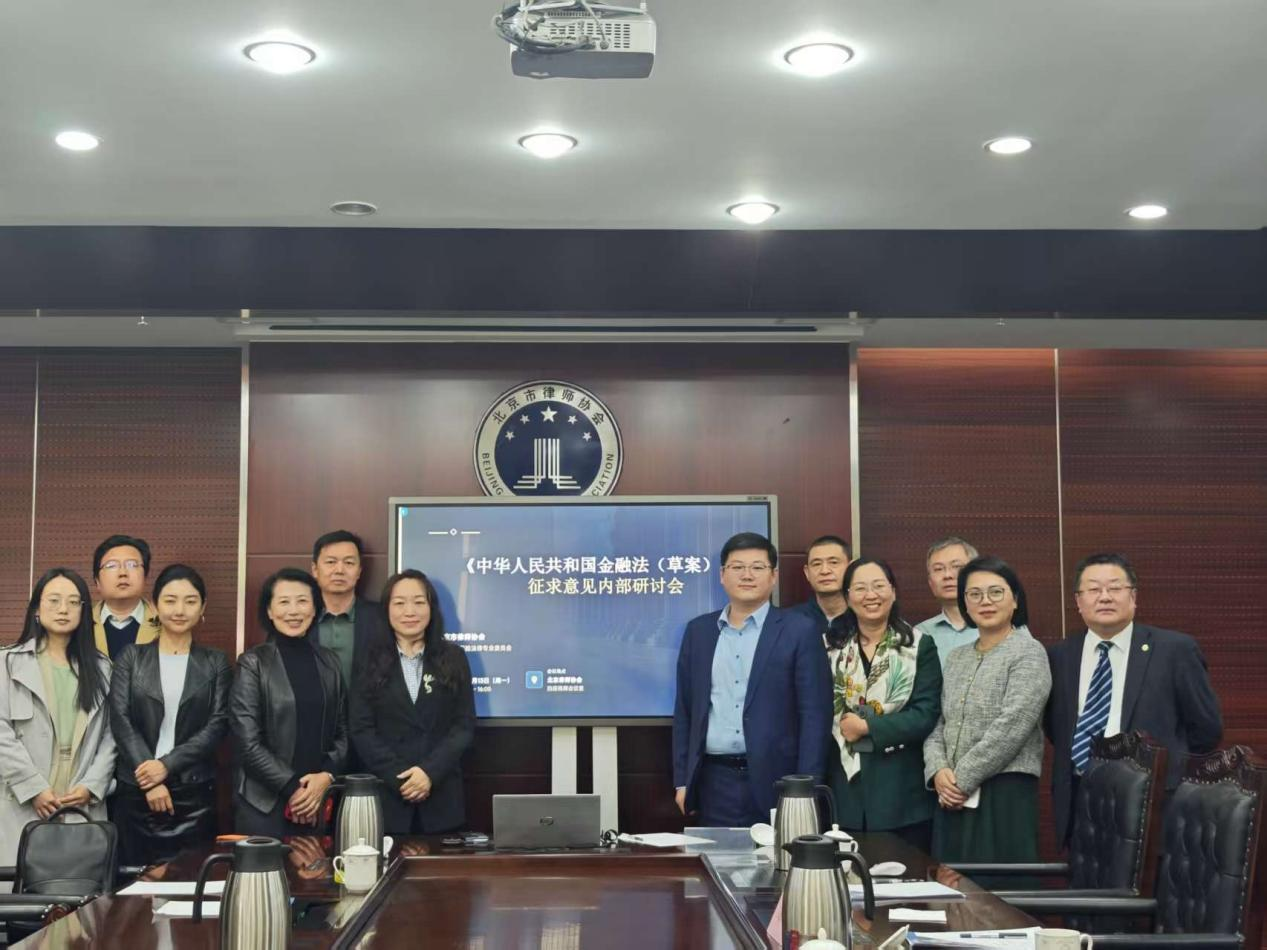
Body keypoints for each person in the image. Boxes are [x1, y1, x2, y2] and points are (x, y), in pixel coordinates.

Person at [1044, 553, 1223, 845]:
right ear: (1078, 601)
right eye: (1093, 589)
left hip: (1154, 803)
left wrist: (1167, 769)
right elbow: (1056, 728)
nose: (1104, 597)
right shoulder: (1059, 656)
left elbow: (1206, 729)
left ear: (1133, 596)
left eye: (1115, 588)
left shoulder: (1174, 649)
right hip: (1080, 797)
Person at [673, 532, 832, 827]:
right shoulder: (699, 632)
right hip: (713, 781)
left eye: (757, 567)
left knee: (779, 856)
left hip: (781, 782)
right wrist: (683, 781)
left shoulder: (800, 630)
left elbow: (815, 715)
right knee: (716, 855)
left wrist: (806, 786)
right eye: (737, 567)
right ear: (722, 575)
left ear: (773, 576)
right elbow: (685, 710)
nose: (747, 575)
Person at [923, 556, 1051, 874]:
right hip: (951, 796)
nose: (985, 601)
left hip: (1002, 795)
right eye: (974, 594)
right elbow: (938, 722)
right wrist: (938, 770)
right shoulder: (956, 658)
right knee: (951, 886)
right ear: (965, 603)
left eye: (996, 592)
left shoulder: (1028, 651)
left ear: (1015, 599)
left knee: (997, 890)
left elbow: (1014, 724)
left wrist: (961, 780)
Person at [109, 564, 232, 867]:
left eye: (190, 601)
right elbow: (120, 719)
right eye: (170, 600)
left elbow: (218, 724)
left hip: (193, 793)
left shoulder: (216, 662)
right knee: (133, 884)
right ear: (155, 605)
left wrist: (166, 766)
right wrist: (150, 780)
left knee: (191, 881)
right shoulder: (131, 657)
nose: (179, 610)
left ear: (202, 607)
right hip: (137, 792)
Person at [0, 568, 115, 876]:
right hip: (22, 801)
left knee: (77, 894)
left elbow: (112, 736)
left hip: (80, 801)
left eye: (73, 602)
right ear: (36, 610)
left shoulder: (103, 668)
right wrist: (33, 787)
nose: (63, 609)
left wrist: (92, 785)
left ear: (84, 611)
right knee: (18, 891)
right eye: (54, 600)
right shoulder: (7, 662)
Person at [825, 559, 942, 852]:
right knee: (847, 875)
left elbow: (926, 714)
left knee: (906, 876)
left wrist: (868, 727)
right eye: (860, 588)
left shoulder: (919, 645)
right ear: (848, 596)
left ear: (893, 591)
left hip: (902, 793)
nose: (871, 595)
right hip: (844, 791)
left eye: (878, 586)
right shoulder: (829, 647)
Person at [350, 570, 475, 834]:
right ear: (387, 610)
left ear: (431, 608)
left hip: (440, 796)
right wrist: (403, 778)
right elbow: (361, 729)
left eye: (419, 602)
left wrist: (428, 773)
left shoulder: (453, 657)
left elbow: (463, 726)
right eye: (399, 603)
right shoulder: (367, 659)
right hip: (389, 797)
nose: (410, 611)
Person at [230, 568, 347, 837]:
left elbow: (342, 732)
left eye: (302, 601)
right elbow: (247, 742)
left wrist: (325, 777)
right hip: (264, 805)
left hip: (319, 801)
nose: (293, 611)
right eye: (284, 602)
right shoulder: (253, 663)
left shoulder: (330, 662)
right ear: (270, 611)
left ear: (315, 609)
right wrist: (293, 788)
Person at [311, 530, 390, 694]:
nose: (339, 570)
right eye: (331, 562)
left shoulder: (381, 618)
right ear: (315, 569)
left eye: (349, 563)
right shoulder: (299, 619)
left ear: (359, 571)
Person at [92, 534, 161, 659]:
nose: (123, 573)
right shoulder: (81, 624)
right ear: (97, 581)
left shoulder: (164, 623)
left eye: (132, 565)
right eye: (112, 565)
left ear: (145, 577)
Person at [915, 537, 979, 665]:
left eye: (956, 566)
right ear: (930, 582)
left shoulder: (1003, 626)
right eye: (938, 569)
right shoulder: (920, 634)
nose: (947, 575)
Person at [796, 534, 852, 641]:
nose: (824, 571)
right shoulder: (791, 620)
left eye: (833, 562)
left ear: (850, 568)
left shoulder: (864, 618)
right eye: (817, 564)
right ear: (807, 573)